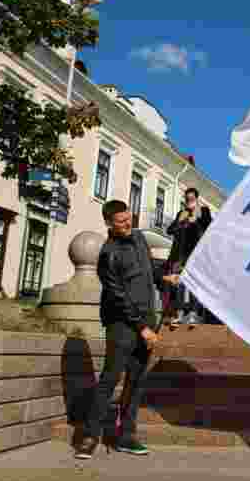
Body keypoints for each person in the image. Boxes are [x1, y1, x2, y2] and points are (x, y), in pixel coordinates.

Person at [76, 199, 170, 460]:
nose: (128, 224)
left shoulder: (139, 238)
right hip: (122, 325)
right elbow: (118, 297)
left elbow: (148, 268)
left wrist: (163, 277)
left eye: (129, 218)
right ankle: (90, 436)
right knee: (109, 379)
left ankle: (126, 436)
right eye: (121, 221)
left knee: (136, 381)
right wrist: (142, 328)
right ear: (109, 223)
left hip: (145, 322)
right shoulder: (108, 254)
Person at [164, 188, 213, 327]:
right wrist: (182, 221)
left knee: (194, 283)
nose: (189, 201)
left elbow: (209, 227)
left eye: (191, 198)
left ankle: (193, 314)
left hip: (197, 253)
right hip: (181, 254)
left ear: (196, 199)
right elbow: (170, 230)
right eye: (187, 199)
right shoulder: (182, 213)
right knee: (179, 283)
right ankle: (179, 314)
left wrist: (196, 220)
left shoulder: (204, 211)